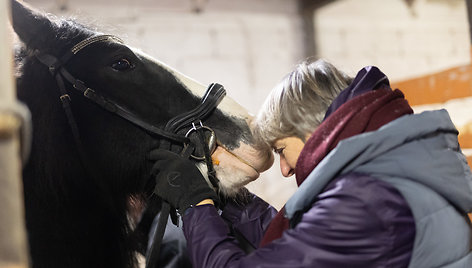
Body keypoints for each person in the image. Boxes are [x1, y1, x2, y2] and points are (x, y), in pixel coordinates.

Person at [150, 59, 472, 267]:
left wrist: (196, 206)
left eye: (280, 150)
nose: (285, 169)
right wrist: (227, 198)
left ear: (312, 132)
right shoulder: (389, 172)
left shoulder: (366, 201)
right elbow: (302, 241)